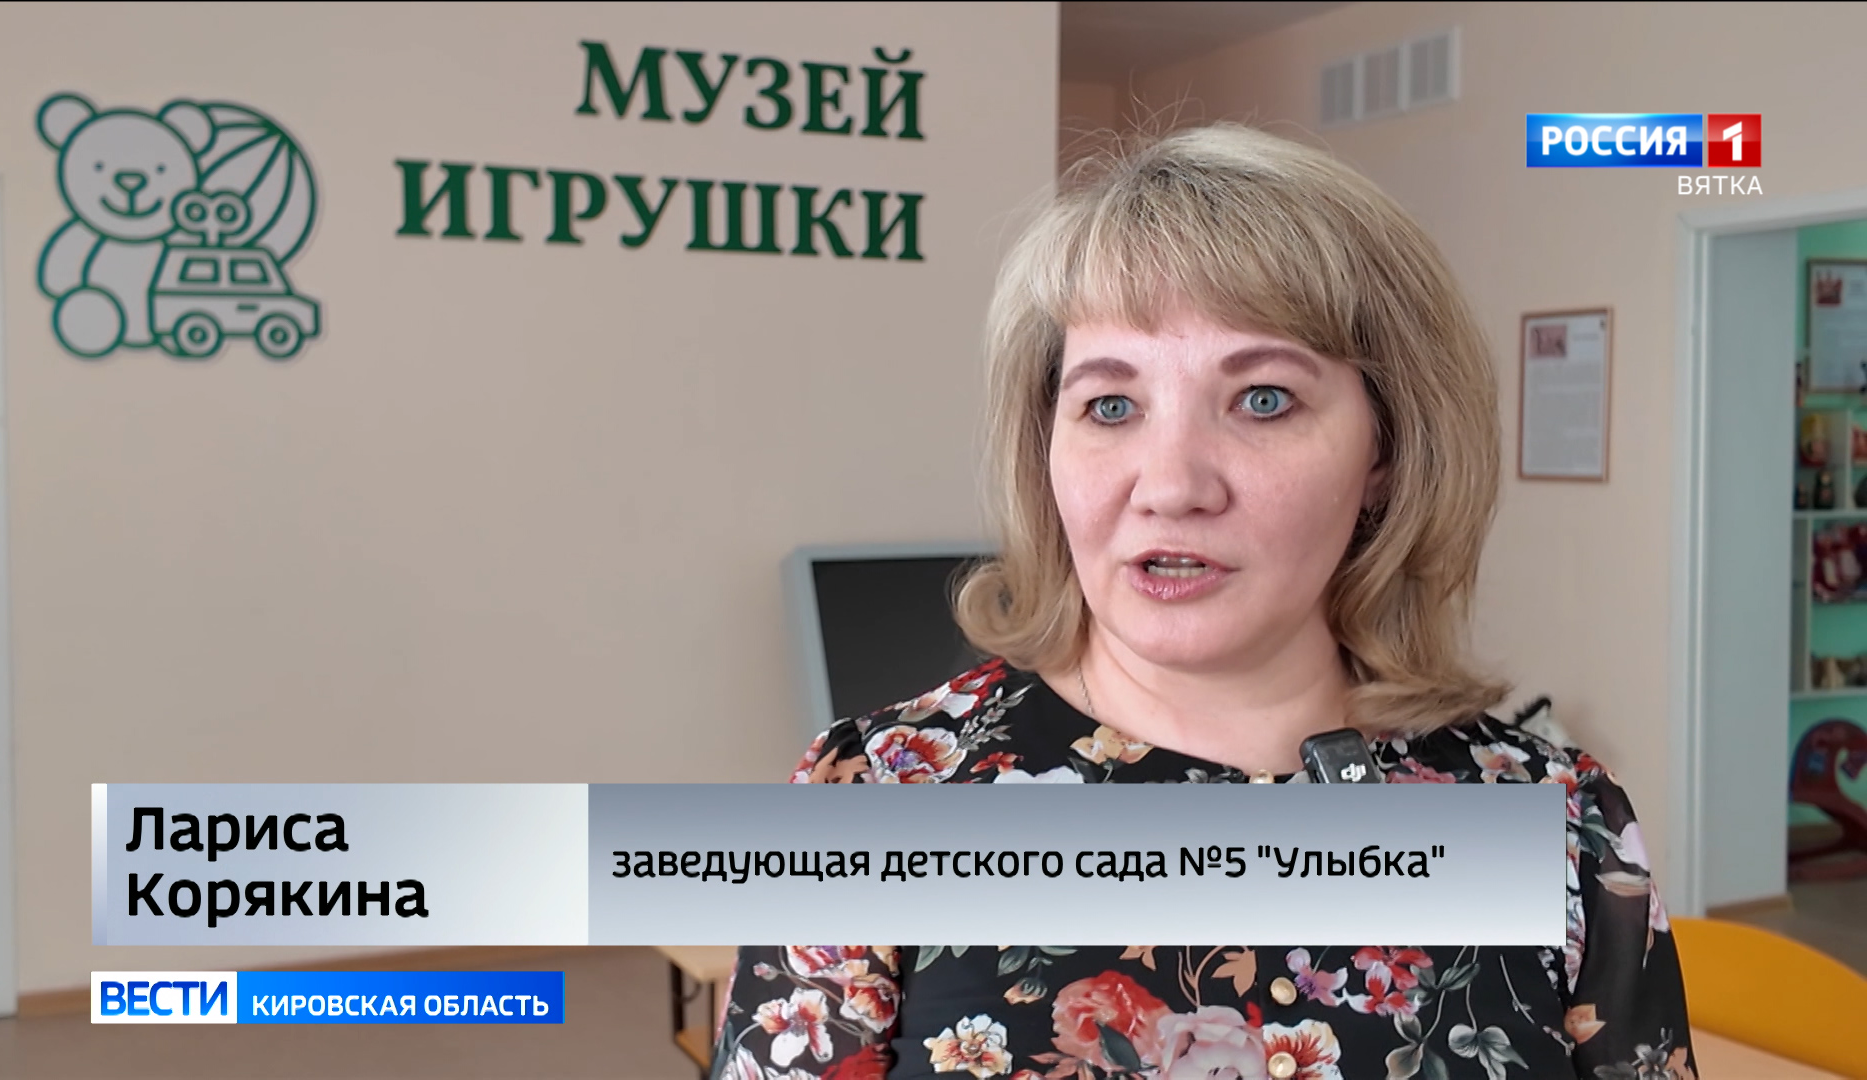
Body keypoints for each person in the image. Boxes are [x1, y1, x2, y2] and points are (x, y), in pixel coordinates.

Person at [711, 124, 1691, 1080]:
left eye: (1263, 398)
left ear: (1386, 453)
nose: (1172, 486)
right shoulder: (875, 795)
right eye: (1110, 405)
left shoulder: (1562, 820)